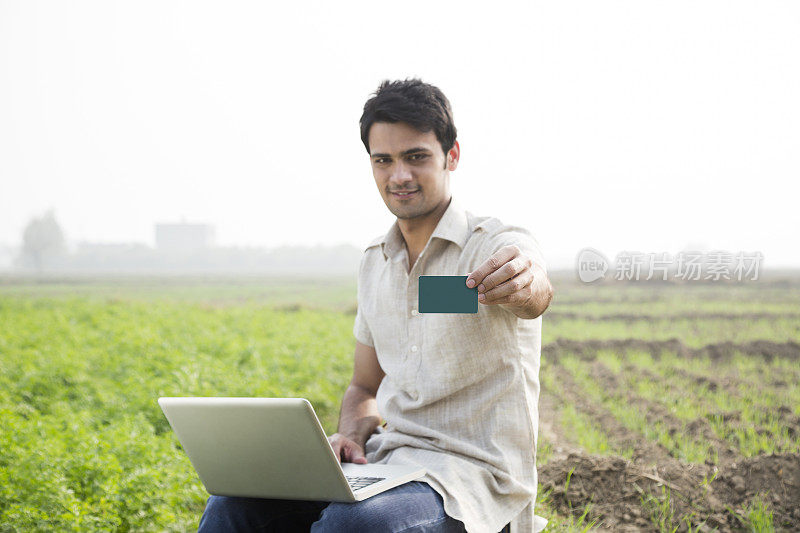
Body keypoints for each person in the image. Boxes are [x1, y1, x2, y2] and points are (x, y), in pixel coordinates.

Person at [198, 78, 553, 533]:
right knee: (231, 507)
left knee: (355, 524)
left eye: (416, 157)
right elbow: (364, 387)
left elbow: (535, 289)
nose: (398, 175)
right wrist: (350, 434)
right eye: (383, 160)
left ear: (453, 155)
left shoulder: (492, 246)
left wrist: (522, 281)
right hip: (390, 465)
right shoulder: (374, 264)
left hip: (474, 480)